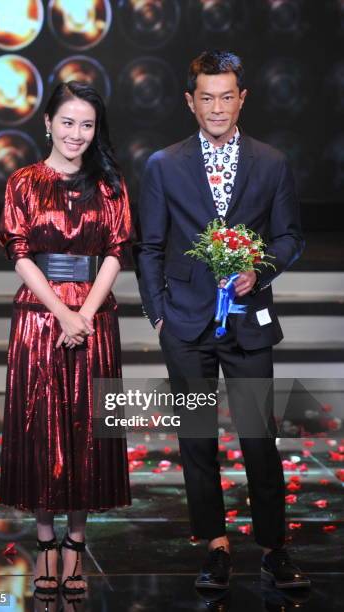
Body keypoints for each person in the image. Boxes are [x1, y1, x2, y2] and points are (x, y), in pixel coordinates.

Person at [136, 50, 311, 590]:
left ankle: (274, 547)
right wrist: (157, 315)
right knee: (197, 440)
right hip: (185, 326)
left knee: (260, 436)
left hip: (248, 322)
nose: (217, 107)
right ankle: (214, 545)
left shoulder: (271, 161)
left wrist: (258, 272)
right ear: (190, 102)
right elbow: (149, 246)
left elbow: (290, 238)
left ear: (242, 98)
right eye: (206, 97)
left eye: (227, 95)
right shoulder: (163, 165)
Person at [0, 81, 132, 595]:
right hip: (38, 316)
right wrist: (60, 312)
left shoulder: (111, 185)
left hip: (94, 316)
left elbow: (119, 251)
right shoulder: (24, 183)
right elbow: (19, 252)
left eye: (88, 124)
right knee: (41, 429)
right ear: (48, 122)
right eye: (68, 122)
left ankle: (77, 544)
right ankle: (47, 542)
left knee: (85, 429)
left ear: (97, 130)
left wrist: (85, 315)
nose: (77, 133)